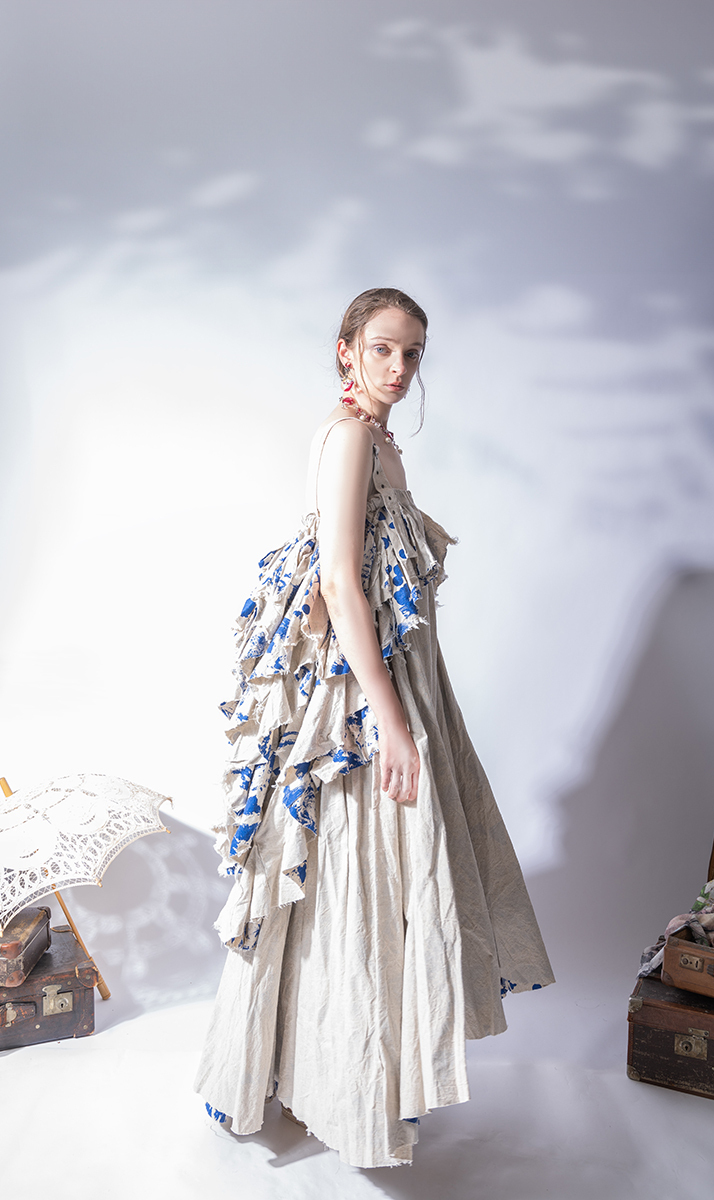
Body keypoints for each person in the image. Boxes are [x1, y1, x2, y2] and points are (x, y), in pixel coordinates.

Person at [194, 287, 554, 1169]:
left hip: (403, 676)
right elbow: (340, 586)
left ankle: (348, 1076)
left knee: (372, 875)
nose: (399, 368)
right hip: (362, 695)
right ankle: (344, 1086)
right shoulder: (350, 439)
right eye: (384, 349)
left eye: (413, 353)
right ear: (347, 349)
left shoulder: (381, 441)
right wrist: (392, 724)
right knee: (360, 871)